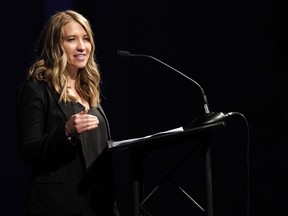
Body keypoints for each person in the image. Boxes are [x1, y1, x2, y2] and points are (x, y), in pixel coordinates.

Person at [16, 10, 120, 216]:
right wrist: (65, 131)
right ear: (56, 45)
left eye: (86, 39)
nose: (82, 47)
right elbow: (29, 150)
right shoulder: (37, 88)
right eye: (71, 39)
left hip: (99, 203)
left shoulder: (88, 88)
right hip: (60, 204)